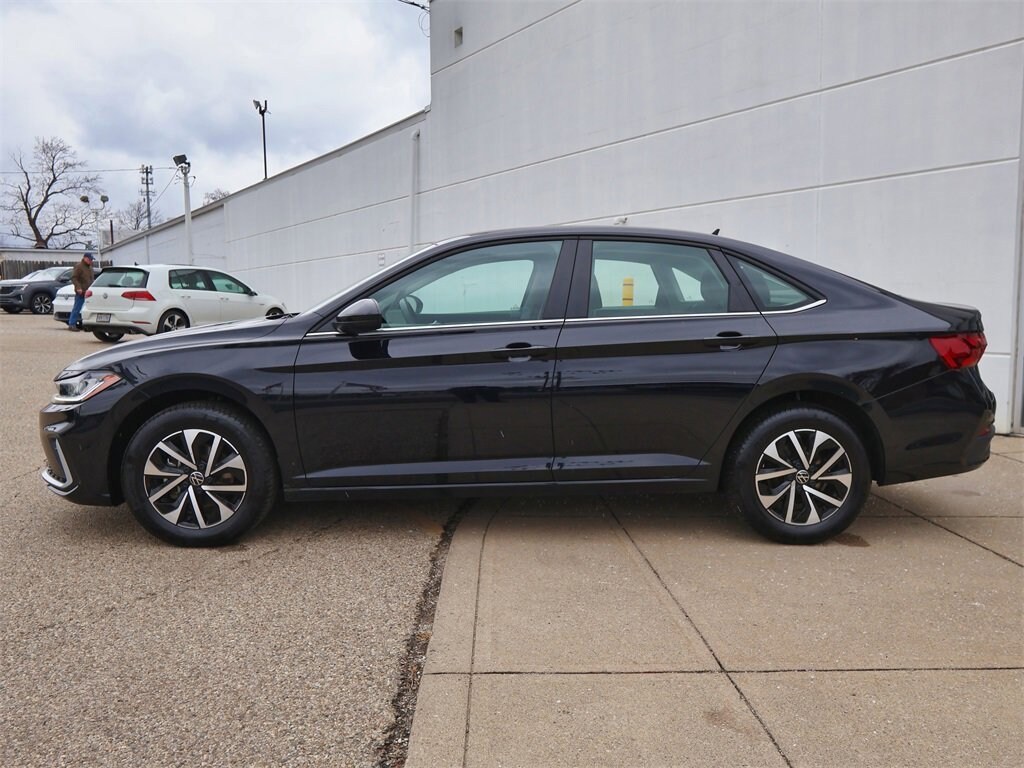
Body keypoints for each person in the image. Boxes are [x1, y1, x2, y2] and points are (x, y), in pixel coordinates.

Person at [67, 252, 96, 331]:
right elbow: (74, 278)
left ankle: (86, 324)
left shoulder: (90, 268)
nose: (91, 261)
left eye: (91, 260)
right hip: (81, 292)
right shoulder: (79, 266)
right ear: (85, 258)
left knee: (87, 309)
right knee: (77, 308)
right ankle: (72, 324)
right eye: (90, 259)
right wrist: (78, 288)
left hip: (88, 292)